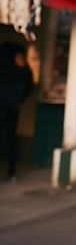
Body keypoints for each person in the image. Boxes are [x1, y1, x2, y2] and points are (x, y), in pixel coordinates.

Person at [0, 41, 33, 183]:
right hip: (14, 107)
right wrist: (19, 100)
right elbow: (29, 88)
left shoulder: (3, 64)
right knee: (11, 138)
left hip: (5, 106)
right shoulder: (24, 68)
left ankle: (11, 171)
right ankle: (11, 171)